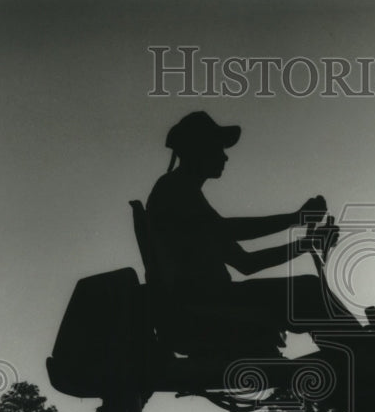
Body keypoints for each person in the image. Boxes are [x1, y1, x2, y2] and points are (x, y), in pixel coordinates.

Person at [146, 110, 354, 359]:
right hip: (205, 306)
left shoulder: (185, 196)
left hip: (209, 302)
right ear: (198, 149)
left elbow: (247, 263)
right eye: (218, 148)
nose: (225, 157)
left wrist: (307, 243)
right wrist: (295, 219)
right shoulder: (174, 190)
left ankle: (354, 361)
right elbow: (227, 230)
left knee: (311, 289)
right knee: (311, 292)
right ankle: (362, 363)